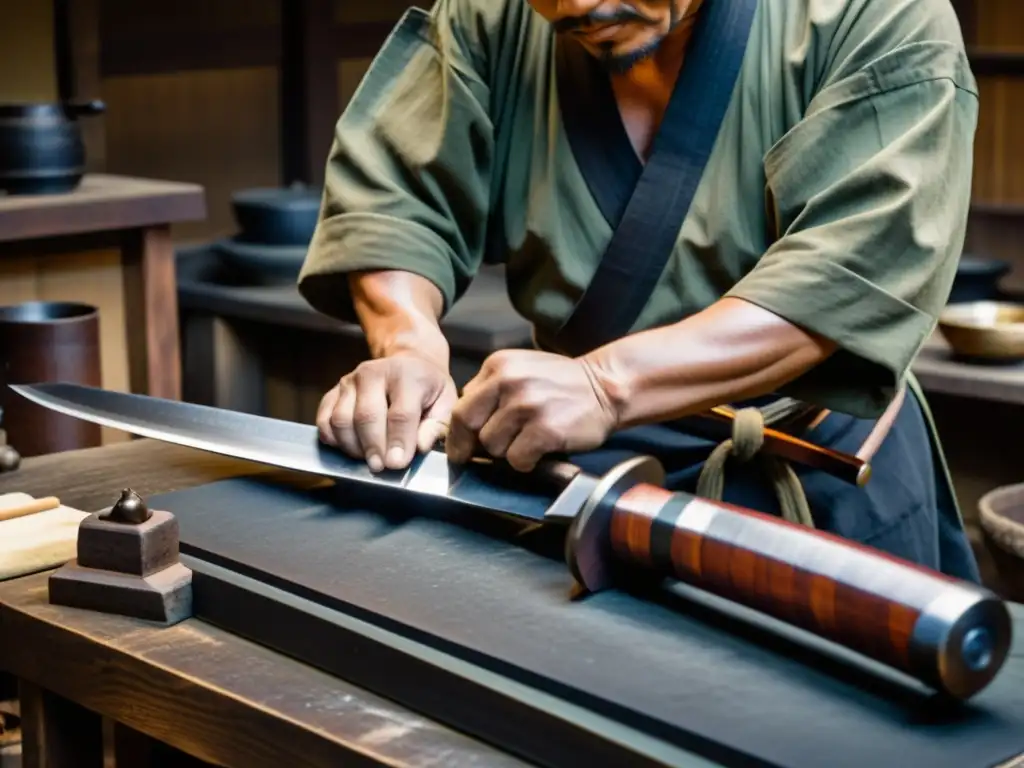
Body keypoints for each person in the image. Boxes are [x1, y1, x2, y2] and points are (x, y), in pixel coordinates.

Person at [298, 0, 982, 581]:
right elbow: (397, 194)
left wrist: (604, 386)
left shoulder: (878, 14)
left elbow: (847, 272)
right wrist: (409, 345)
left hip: (814, 475)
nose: (575, 8)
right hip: (579, 479)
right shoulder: (495, 11)